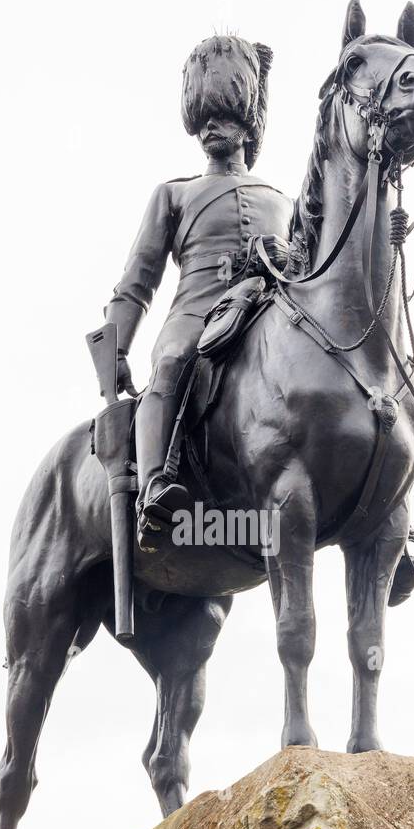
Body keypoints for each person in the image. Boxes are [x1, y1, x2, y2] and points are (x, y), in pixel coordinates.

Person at [103, 34, 295, 540]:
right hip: (196, 311)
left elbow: (310, 269)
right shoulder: (174, 193)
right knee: (172, 362)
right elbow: (138, 279)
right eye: (204, 116)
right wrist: (117, 346)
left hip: (266, 312)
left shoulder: (284, 201)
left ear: (247, 123)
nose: (211, 126)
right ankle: (155, 486)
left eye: (225, 114)